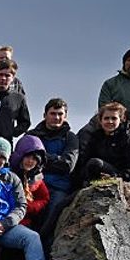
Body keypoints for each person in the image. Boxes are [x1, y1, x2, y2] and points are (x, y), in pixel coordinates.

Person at [28, 98, 80, 250]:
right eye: (52, 114)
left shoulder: (71, 138)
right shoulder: (32, 136)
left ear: (65, 116)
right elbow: (26, 162)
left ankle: (46, 256)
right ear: (45, 115)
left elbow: (67, 165)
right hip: (33, 187)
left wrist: (42, 157)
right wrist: (56, 159)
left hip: (58, 189)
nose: (56, 117)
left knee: (52, 222)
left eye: (60, 114)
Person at [74, 101, 130, 188]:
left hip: (121, 176)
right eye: (106, 118)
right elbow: (85, 162)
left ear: (121, 119)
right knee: (95, 163)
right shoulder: (94, 137)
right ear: (100, 120)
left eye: (114, 118)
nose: (110, 121)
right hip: (98, 175)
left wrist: (117, 177)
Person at [0, 59, 30, 152]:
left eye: (7, 75)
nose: (3, 78)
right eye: (0, 74)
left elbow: (25, 122)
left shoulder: (18, 98)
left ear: (13, 78)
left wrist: (12, 132)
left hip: (5, 144)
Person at [11, 135, 49, 228]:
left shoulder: (37, 179)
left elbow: (44, 199)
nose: (30, 161)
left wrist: (29, 207)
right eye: (27, 156)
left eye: (35, 158)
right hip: (7, 219)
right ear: (20, 156)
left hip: (26, 222)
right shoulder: (8, 175)